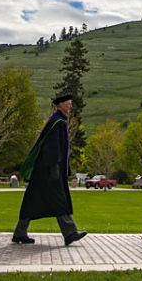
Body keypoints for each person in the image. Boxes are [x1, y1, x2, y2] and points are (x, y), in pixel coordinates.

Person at [12, 93, 86, 246]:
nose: (71, 105)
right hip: (49, 171)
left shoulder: (57, 120)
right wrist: (54, 169)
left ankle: (19, 233)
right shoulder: (57, 122)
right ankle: (70, 233)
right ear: (60, 105)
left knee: (31, 201)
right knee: (59, 200)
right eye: (68, 103)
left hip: (44, 170)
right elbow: (52, 148)